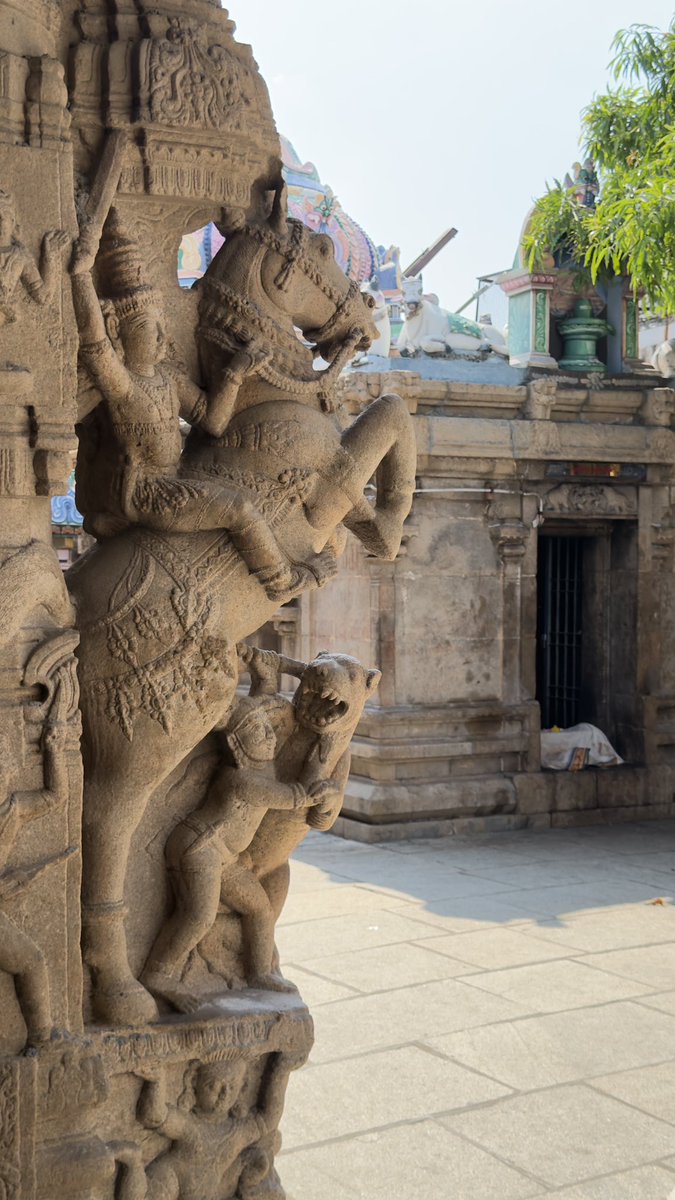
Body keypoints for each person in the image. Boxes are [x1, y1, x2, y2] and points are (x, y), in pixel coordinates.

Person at [70, 207, 334, 602]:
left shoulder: (169, 378)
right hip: (144, 490)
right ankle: (282, 580)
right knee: (239, 509)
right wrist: (78, 276)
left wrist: (233, 376)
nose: (159, 335)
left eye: (158, 325)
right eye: (144, 327)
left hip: (170, 477)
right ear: (120, 334)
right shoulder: (123, 382)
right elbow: (93, 346)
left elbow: (212, 422)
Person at [141, 697, 337, 1008]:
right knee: (198, 915)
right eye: (259, 734)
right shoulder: (240, 780)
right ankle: (157, 975)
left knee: (259, 908)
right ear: (237, 745)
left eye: (268, 730)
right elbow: (293, 797)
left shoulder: (264, 765)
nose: (270, 737)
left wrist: (321, 743)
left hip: (224, 858)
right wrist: (317, 786)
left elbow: (266, 701)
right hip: (199, 849)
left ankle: (259, 972)